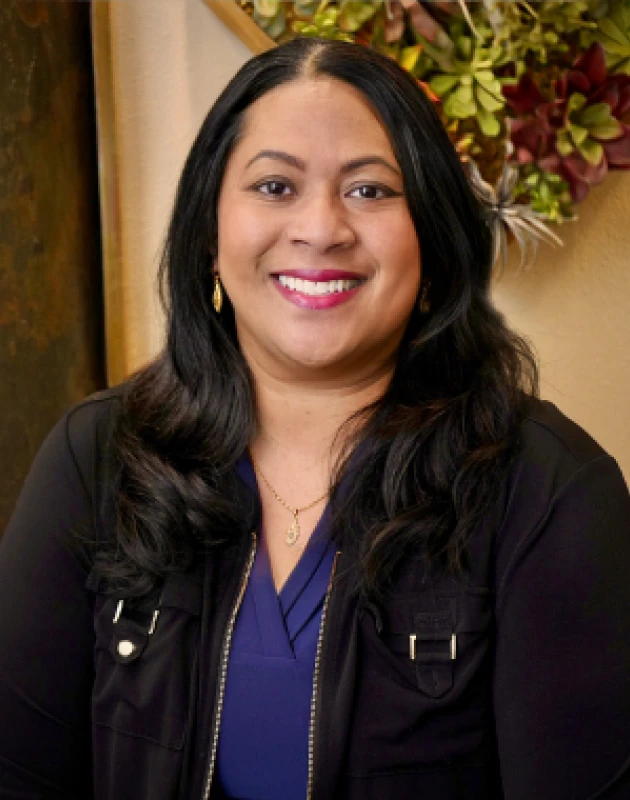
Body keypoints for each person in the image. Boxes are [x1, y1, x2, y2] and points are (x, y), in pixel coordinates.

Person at [0, 35, 629, 800]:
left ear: (430, 240)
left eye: (370, 190)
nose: (322, 228)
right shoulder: (96, 460)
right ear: (208, 234)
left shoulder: (548, 492)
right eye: (274, 187)